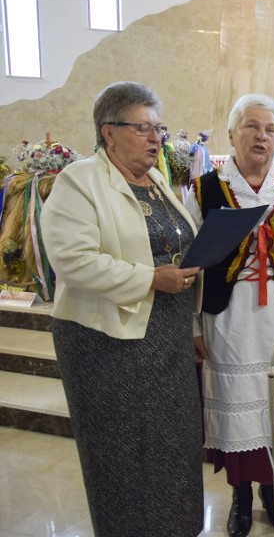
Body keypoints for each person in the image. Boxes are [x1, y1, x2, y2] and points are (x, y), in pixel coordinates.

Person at [40, 81, 203, 537]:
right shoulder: (79, 181)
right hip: (105, 346)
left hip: (165, 337)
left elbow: (177, 252)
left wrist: (190, 325)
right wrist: (150, 278)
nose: (156, 139)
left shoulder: (155, 182)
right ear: (108, 132)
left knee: (173, 449)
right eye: (143, 128)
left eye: (159, 129)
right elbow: (72, 260)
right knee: (123, 458)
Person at [185, 94, 274, 537]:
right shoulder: (202, 190)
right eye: (252, 126)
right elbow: (189, 265)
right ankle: (240, 494)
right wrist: (194, 324)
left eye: (270, 129)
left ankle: (273, 489)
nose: (261, 136)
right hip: (228, 315)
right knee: (238, 404)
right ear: (231, 133)